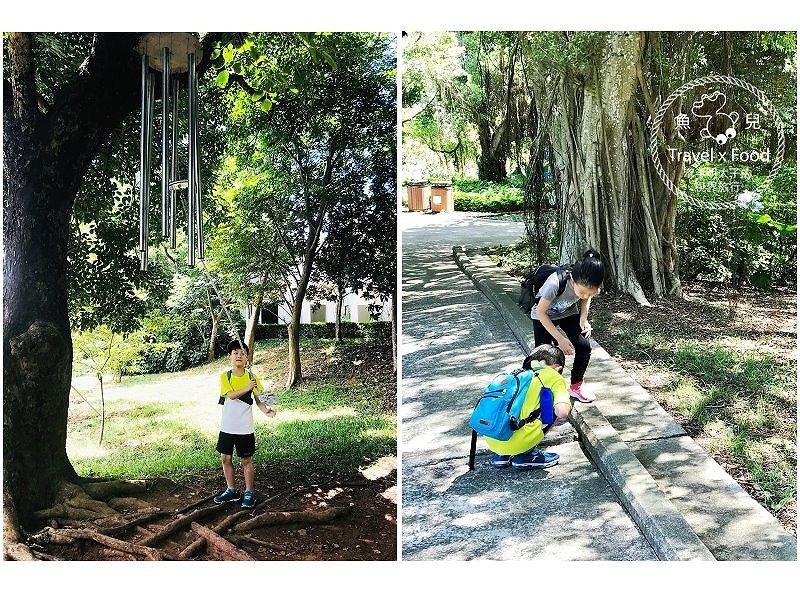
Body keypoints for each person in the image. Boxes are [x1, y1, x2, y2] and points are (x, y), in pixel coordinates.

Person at [531, 249, 605, 403]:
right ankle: (549, 387)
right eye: (582, 292)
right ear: (572, 278)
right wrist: (560, 339)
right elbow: (541, 312)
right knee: (545, 354)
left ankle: (576, 385)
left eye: (590, 293)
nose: (584, 296)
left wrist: (583, 319)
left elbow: (586, 298)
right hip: (543, 315)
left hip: (568, 313)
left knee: (584, 346)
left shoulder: (587, 287)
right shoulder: (555, 283)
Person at [485, 344, 571, 469]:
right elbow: (562, 411)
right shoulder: (554, 377)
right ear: (558, 368)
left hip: (492, 438)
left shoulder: (516, 373)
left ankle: (502, 456)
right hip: (518, 443)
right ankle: (527, 454)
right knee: (552, 410)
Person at [213, 340, 276, 508]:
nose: (239, 356)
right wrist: (248, 386)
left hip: (244, 427)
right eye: (235, 353)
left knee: (246, 460)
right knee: (225, 458)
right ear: (230, 357)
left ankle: (249, 492)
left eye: (242, 353)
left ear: (247, 358)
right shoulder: (225, 376)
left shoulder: (252, 377)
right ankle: (232, 490)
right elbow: (231, 395)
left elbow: (259, 399)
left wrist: (267, 410)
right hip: (227, 426)